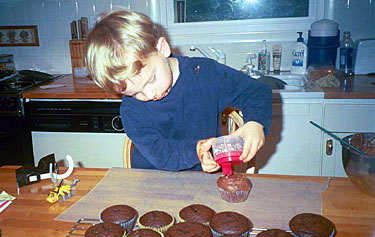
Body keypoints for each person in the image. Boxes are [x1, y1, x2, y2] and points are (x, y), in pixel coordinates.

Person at [85, 8, 272, 173]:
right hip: (152, 181)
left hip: (204, 179)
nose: (150, 95)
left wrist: (256, 122)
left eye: (152, 79)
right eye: (135, 93)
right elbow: (160, 152)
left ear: (162, 48)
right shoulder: (131, 109)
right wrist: (196, 151)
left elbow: (256, 92)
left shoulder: (206, 75)